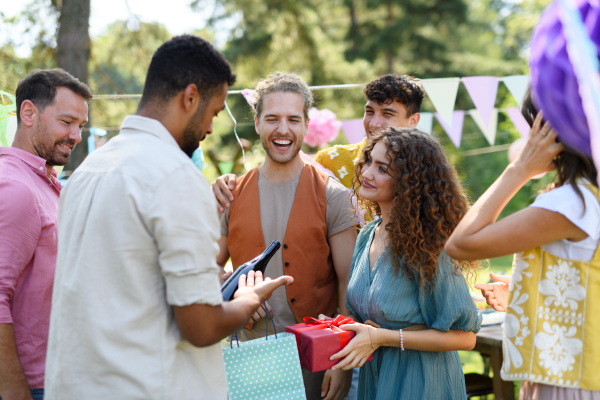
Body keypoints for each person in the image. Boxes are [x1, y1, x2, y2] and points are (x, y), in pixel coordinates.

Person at [44, 35, 292, 400]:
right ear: (190, 97)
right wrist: (250, 298)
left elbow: (121, 279)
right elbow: (201, 326)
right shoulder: (175, 176)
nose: (210, 129)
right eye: (213, 113)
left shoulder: (88, 170)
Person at [446, 91, 600, 398]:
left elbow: (461, 243)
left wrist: (519, 169)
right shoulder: (586, 196)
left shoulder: (572, 203)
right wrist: (524, 285)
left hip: (567, 376)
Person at [216, 72, 358, 400]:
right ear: (256, 123)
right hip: (251, 353)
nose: (283, 130)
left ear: (306, 124)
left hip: (318, 356)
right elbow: (204, 268)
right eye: (272, 119)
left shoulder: (333, 195)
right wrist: (235, 294)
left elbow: (348, 282)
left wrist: (342, 363)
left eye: (293, 119)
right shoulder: (231, 193)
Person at [328, 127, 481, 399]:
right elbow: (368, 320)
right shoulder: (367, 235)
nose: (366, 173)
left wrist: (384, 338)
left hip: (423, 383)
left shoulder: (428, 245)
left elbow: (465, 337)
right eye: (369, 162)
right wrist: (333, 329)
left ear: (409, 182)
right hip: (375, 380)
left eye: (383, 169)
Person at [0, 69, 91, 400]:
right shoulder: (14, 187)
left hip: (61, 377)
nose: (77, 135)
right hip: (33, 385)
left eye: (80, 125)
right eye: (67, 122)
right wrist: (14, 391)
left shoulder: (46, 185)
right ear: (28, 114)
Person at [212, 74, 424, 211]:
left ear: (413, 120)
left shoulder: (428, 172)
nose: (374, 123)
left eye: (387, 114)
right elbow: (283, 183)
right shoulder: (331, 161)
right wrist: (231, 184)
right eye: (369, 112)